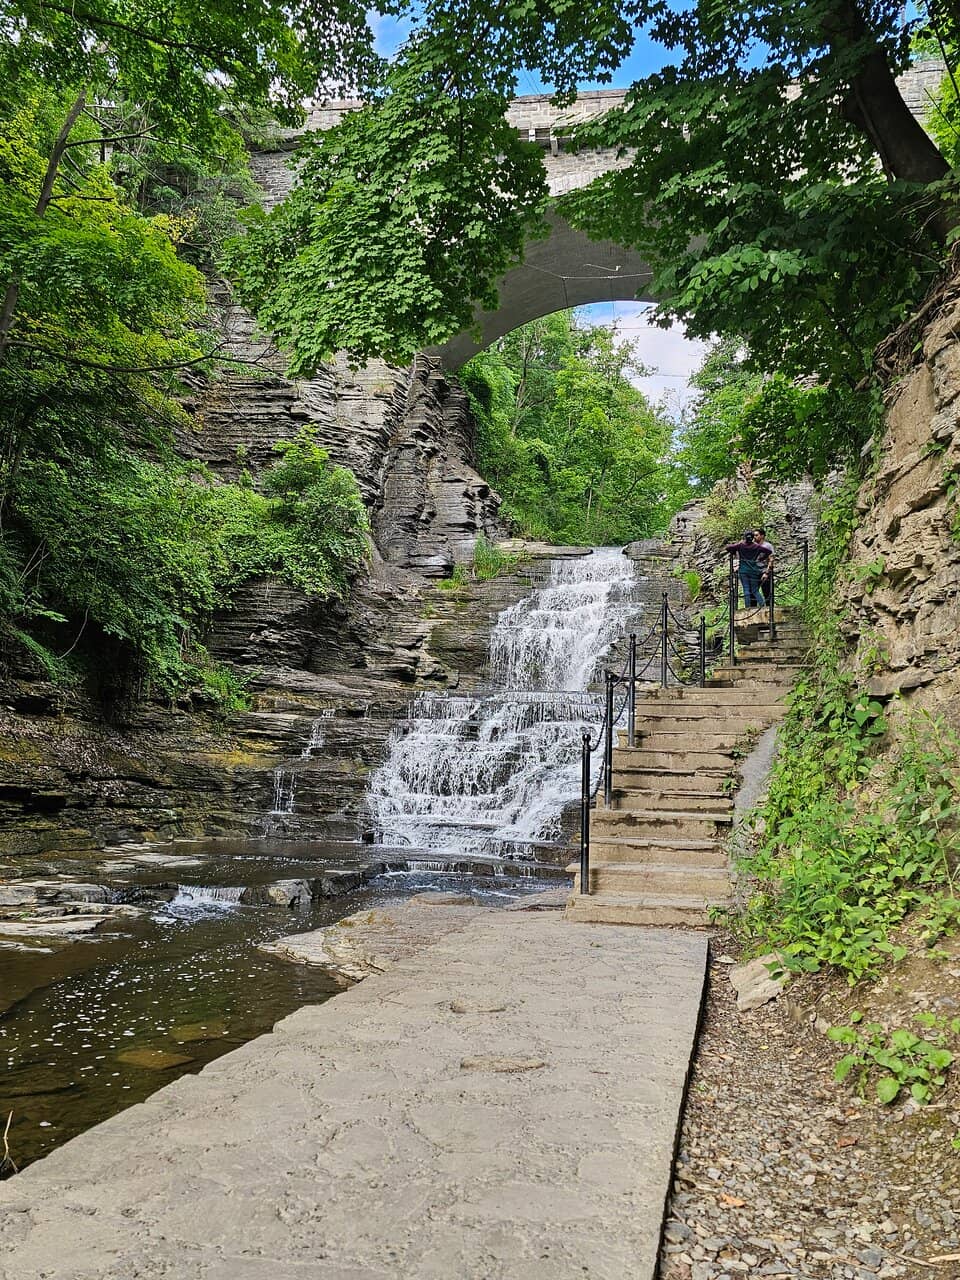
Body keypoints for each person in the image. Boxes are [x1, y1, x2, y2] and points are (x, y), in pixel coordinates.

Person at [726, 530, 765, 608]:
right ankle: (763, 605)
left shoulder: (741, 545)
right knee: (755, 590)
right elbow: (768, 551)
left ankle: (747, 608)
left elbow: (728, 548)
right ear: (753, 537)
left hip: (743, 570)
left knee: (746, 590)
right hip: (754, 570)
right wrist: (761, 558)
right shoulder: (756, 546)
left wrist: (734, 552)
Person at [756, 527, 775, 606]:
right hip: (755, 572)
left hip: (764, 571)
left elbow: (771, 559)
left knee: (767, 592)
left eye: (757, 535)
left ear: (762, 536)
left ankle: (769, 611)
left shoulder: (768, 546)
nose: (754, 537)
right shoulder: (753, 546)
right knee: (753, 593)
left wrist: (767, 572)